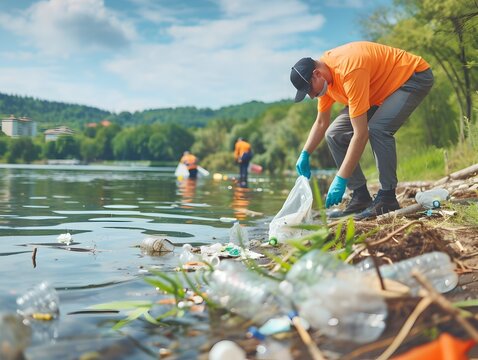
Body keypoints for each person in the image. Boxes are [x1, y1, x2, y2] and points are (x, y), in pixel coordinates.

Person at [290, 41, 434, 219]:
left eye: (309, 90)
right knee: (334, 134)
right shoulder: (326, 84)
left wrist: (341, 177)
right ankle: (361, 196)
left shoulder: (349, 70)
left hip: (411, 77)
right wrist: (305, 153)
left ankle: (387, 198)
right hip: (377, 93)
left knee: (378, 129)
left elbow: (361, 133)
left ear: (317, 74)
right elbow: (321, 123)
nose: (311, 96)